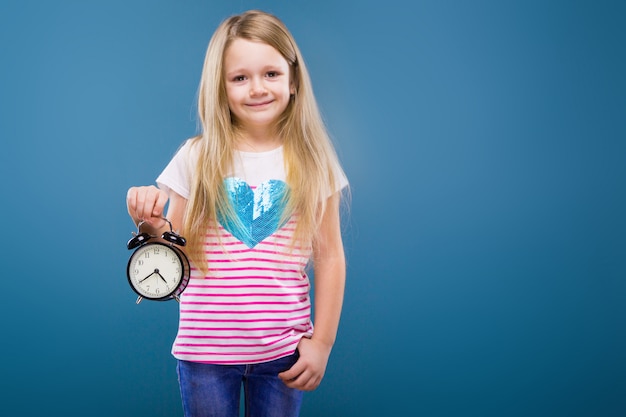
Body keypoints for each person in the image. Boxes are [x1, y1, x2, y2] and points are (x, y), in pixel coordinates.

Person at [125, 10, 349, 417]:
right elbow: (176, 249)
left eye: (271, 74)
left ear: (293, 80)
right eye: (240, 77)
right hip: (204, 355)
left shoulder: (315, 162)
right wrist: (151, 225)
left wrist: (323, 344)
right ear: (221, 87)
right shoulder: (196, 158)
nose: (257, 88)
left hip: (284, 353)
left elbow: (330, 256)